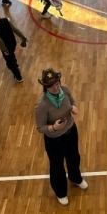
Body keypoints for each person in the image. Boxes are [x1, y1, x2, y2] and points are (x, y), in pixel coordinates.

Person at [34, 69, 87, 205]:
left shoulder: (65, 90)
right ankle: (61, 192)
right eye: (51, 86)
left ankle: (75, 178)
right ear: (45, 87)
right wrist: (53, 128)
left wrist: (74, 107)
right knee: (57, 166)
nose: (56, 87)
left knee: (74, 157)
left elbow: (72, 102)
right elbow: (40, 128)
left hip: (71, 132)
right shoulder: (42, 105)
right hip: (54, 140)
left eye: (57, 83)